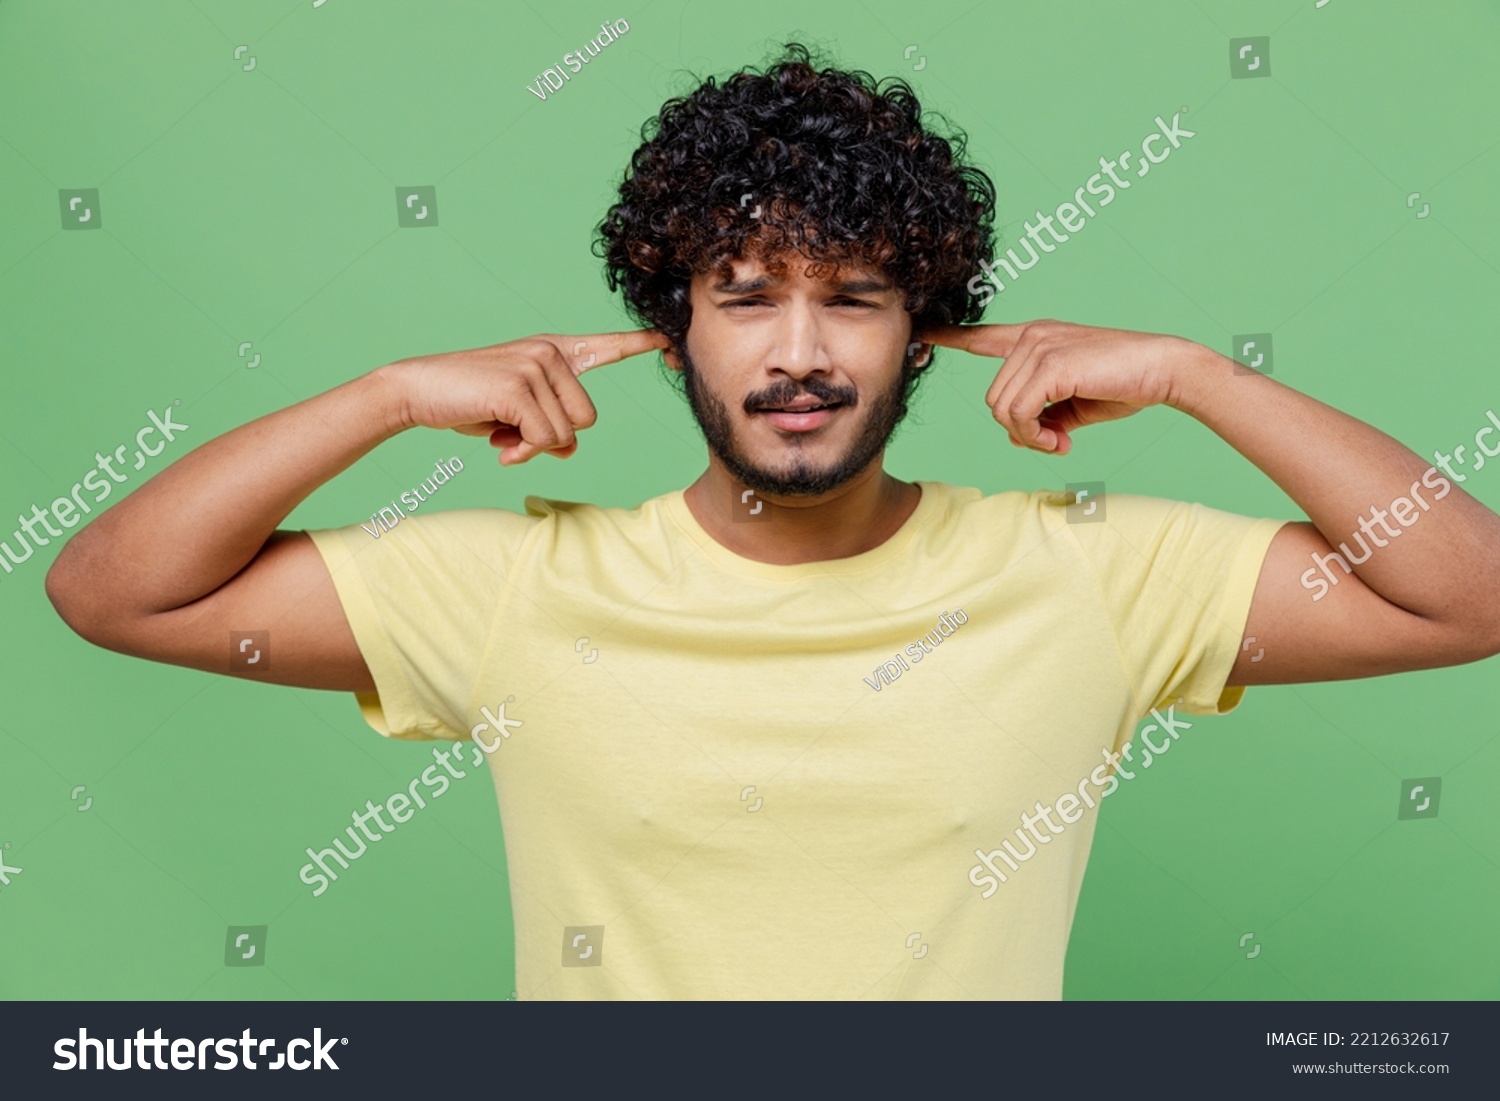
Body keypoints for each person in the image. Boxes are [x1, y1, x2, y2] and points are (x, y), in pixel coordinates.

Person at [46, 43, 1500, 999]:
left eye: (853, 295)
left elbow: (1468, 594)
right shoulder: (514, 585)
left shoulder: (1095, 572)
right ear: (673, 330)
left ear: (919, 331)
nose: (798, 351)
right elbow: (117, 589)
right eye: (743, 297)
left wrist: (1192, 375)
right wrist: (384, 395)